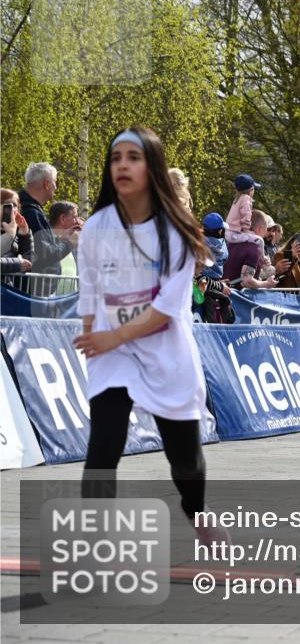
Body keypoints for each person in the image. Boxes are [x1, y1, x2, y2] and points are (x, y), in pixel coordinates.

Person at [72, 126, 225, 543]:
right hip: (113, 354)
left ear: (151, 166)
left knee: (185, 460)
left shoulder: (174, 232)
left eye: (133, 157)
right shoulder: (98, 226)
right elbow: (89, 290)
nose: (122, 165)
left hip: (164, 350)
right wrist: (92, 334)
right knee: (105, 442)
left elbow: (163, 313)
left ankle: (195, 510)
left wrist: (109, 338)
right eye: (115, 157)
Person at [18, 162, 76, 293]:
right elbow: (45, 253)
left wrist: (63, 238)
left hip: (30, 291)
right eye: (55, 182)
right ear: (47, 184)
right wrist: (69, 242)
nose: (56, 187)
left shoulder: (28, 209)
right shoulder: (31, 213)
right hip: (30, 293)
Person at [221, 210, 279, 290]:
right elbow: (247, 281)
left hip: (224, 295)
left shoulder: (231, 242)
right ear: (260, 228)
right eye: (266, 228)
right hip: (238, 298)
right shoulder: (255, 248)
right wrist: (266, 283)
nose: (266, 232)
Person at [1, 188, 33, 275]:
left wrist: (25, 235)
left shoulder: (16, 231)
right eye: (5, 204)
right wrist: (17, 264)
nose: (11, 208)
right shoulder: (11, 233)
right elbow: (21, 264)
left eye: (14, 205)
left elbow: (29, 264)